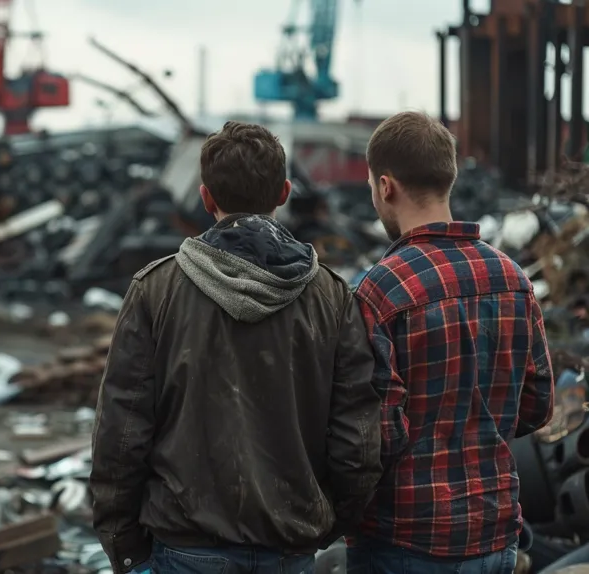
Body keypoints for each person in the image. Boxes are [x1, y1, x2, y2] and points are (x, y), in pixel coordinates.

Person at [90, 121, 383, 574]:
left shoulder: (156, 290)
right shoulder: (332, 296)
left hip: (184, 546)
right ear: (284, 192)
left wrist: (122, 542)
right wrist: (324, 522)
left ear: (206, 197)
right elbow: (357, 437)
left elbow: (122, 431)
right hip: (290, 547)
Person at [348, 111, 555, 573]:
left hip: (405, 537)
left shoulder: (381, 290)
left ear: (385, 186)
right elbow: (537, 405)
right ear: (450, 178)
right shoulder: (513, 279)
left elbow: (375, 433)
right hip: (494, 532)